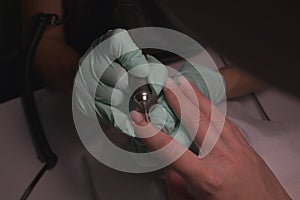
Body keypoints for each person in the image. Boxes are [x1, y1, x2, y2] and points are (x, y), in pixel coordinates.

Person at [23, 1, 288, 200]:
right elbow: (43, 44)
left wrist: (210, 84)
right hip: (79, 128)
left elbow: (288, 50)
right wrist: (87, 78)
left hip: (234, 76)